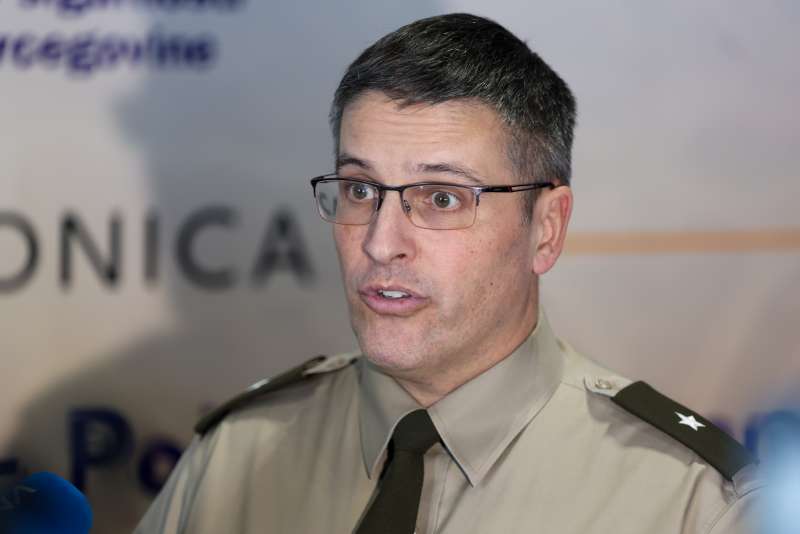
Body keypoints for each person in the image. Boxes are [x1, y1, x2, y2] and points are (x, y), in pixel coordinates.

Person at [134, 13, 762, 534]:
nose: (381, 243)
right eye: (359, 189)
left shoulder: (689, 504)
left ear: (545, 228)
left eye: (441, 198)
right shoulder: (232, 457)